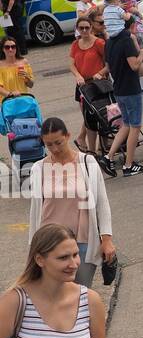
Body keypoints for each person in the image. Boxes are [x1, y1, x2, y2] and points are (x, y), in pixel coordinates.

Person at [28, 118, 115, 286]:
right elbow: (35, 212)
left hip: (82, 241)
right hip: (49, 244)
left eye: (58, 142)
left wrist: (107, 239)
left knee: (81, 294)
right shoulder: (38, 168)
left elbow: (102, 203)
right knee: (56, 297)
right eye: (49, 145)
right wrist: (33, 247)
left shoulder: (87, 163)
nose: (55, 149)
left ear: (68, 136)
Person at [104, 17, 143, 176]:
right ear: (130, 27)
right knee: (135, 126)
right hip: (130, 89)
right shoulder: (126, 41)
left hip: (118, 89)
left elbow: (108, 67)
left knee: (126, 124)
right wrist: (142, 53)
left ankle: (108, 156)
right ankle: (129, 164)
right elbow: (134, 65)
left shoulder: (109, 42)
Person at [68, 16, 109, 152]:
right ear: (77, 29)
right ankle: (91, 148)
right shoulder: (75, 44)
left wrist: (101, 73)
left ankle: (102, 145)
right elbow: (71, 64)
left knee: (100, 115)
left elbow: (109, 64)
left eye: (87, 27)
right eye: (81, 28)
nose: (84, 30)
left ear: (91, 28)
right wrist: (78, 75)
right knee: (88, 117)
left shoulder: (99, 43)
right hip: (82, 86)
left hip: (98, 85)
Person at [0, 35, 34, 101]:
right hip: (7, 103)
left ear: (16, 48)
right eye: (7, 47)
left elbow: (31, 85)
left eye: (13, 47)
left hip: (23, 100)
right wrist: (10, 94)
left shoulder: (24, 62)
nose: (10, 49)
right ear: (2, 49)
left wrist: (27, 78)